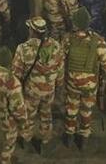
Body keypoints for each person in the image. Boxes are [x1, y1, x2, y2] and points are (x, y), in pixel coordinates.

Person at [11, 17, 64, 154]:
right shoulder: (56, 46)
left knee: (29, 115)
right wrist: (58, 86)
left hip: (31, 91)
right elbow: (60, 70)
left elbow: (16, 74)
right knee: (46, 114)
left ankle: (26, 138)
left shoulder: (23, 49)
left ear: (33, 31)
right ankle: (45, 139)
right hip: (49, 90)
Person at [61, 7, 106, 150]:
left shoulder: (68, 39)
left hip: (72, 82)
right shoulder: (99, 41)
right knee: (87, 109)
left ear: (75, 23)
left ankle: (69, 135)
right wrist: (102, 83)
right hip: (90, 83)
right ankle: (84, 138)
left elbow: (61, 60)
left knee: (71, 108)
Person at [0, 46, 28, 164]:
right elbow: (18, 109)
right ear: (11, 62)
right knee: (6, 151)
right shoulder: (13, 82)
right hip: (6, 124)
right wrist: (23, 124)